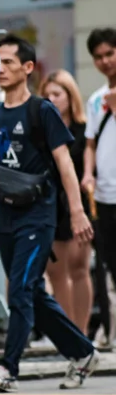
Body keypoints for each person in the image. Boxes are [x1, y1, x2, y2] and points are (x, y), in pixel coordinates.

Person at [0, 35, 99, 394]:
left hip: (39, 214)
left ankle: (8, 368)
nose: (2, 69)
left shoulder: (41, 110)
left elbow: (65, 165)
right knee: (31, 293)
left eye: (10, 62)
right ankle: (83, 352)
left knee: (20, 289)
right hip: (6, 215)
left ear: (28, 68)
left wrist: (77, 213)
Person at [38, 70, 93, 335]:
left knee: (80, 268)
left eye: (57, 94)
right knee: (56, 272)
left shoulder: (84, 130)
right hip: (49, 203)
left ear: (70, 97)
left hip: (78, 203)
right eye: (46, 95)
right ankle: (69, 336)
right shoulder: (41, 129)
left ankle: (82, 334)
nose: (51, 100)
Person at [82, 29, 116, 300]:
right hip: (104, 197)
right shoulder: (95, 100)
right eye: (98, 56)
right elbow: (90, 144)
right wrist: (87, 174)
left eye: (110, 53)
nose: (105, 61)